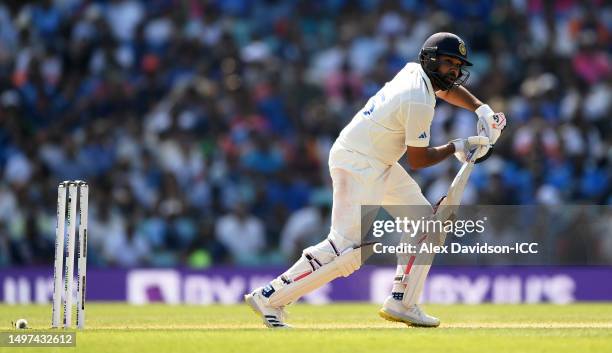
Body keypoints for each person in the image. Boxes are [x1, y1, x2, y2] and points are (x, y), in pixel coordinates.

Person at [245, 32, 507, 328]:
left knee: (427, 225)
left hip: (377, 160)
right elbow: (419, 161)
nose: (455, 72)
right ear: (432, 61)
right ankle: (270, 296)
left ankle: (402, 302)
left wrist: (482, 108)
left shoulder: (414, 70)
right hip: (357, 162)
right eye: (449, 63)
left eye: (458, 66)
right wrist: (457, 147)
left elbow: (445, 90)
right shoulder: (417, 98)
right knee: (344, 249)